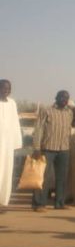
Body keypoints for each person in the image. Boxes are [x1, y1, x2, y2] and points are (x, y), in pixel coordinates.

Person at [31, 90, 74, 211]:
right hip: (47, 148)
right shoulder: (46, 110)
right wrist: (36, 148)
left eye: (66, 98)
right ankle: (39, 204)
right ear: (56, 97)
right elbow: (38, 129)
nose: (64, 100)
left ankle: (60, 203)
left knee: (62, 177)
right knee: (43, 177)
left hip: (64, 149)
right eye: (62, 97)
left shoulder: (69, 112)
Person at [0, 80, 22, 208]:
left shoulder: (12, 103)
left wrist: (16, 142)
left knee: (6, 172)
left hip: (7, 144)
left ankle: (2, 201)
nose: (6, 90)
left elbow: (15, 123)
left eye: (8, 88)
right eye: (4, 88)